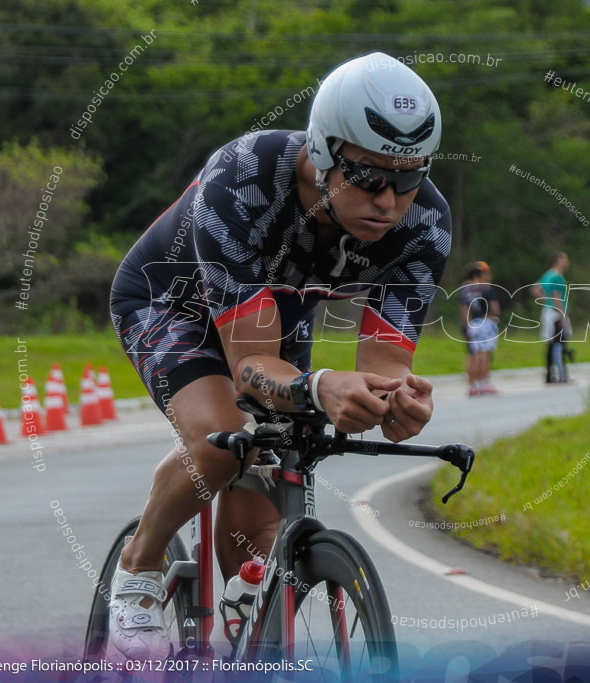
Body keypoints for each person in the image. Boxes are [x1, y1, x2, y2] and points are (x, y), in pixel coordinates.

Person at [108, 52, 450, 659]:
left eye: (410, 177)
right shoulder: (242, 177)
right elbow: (248, 366)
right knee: (222, 438)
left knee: (271, 482)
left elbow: (385, 363)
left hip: (273, 318)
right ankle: (138, 566)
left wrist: (395, 400)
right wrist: (319, 386)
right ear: (323, 149)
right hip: (169, 304)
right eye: (371, 177)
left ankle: (255, 615)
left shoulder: (425, 224)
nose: (391, 200)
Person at [458, 261, 500, 396]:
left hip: (472, 325)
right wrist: (492, 317)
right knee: (484, 355)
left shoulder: (465, 289)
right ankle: (484, 383)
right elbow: (495, 309)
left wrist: (467, 325)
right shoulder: (486, 288)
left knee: (472, 356)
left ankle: (473, 385)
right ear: (479, 274)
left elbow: (464, 310)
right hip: (485, 322)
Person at [534, 252, 570, 383]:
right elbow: (556, 297)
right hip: (556, 313)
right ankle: (561, 374)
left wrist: (545, 300)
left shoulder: (547, 275)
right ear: (558, 261)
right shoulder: (558, 277)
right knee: (559, 344)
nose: (567, 263)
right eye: (565, 260)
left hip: (547, 311)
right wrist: (563, 315)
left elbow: (535, 289)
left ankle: (549, 375)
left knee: (550, 344)